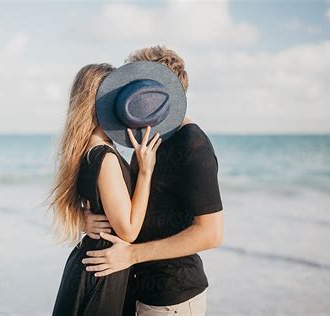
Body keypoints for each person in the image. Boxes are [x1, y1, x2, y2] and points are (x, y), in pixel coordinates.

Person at [82, 46, 224, 316]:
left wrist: (131, 255)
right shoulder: (150, 137)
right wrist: (86, 218)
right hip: (137, 290)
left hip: (173, 299)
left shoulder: (193, 145)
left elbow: (211, 233)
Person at [48, 63, 163, 315]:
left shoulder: (83, 151)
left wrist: (82, 219)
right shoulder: (105, 157)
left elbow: (80, 204)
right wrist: (145, 171)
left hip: (92, 266)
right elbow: (129, 230)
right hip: (101, 272)